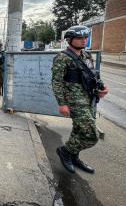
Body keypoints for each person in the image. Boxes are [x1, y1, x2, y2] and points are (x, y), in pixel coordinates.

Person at [52, 25, 108, 174]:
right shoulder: (62, 58)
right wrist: (62, 103)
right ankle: (65, 151)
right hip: (75, 100)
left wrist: (101, 89)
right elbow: (56, 82)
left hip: (89, 97)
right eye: (80, 38)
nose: (84, 40)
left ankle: (73, 157)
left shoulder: (86, 55)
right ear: (70, 40)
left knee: (79, 130)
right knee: (91, 135)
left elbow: (92, 75)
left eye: (85, 37)